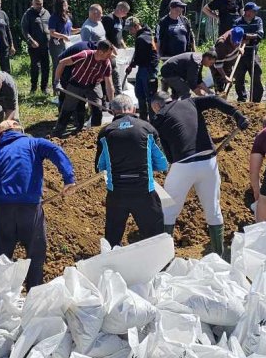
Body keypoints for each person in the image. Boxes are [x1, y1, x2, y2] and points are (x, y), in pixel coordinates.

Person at [149, 90, 247, 256]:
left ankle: (165, 258)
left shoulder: (159, 117)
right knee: (213, 209)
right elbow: (215, 100)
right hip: (209, 161)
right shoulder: (190, 102)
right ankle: (219, 256)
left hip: (184, 164)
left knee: (168, 210)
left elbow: (166, 151)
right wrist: (236, 114)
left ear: (157, 106)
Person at [0, 119, 75, 289]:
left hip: (3, 209)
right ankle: (34, 291)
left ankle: (2, 296)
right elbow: (55, 150)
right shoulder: (33, 143)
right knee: (35, 252)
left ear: (1, 136)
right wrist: (68, 179)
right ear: (20, 131)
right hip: (29, 209)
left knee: (2, 257)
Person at [96, 95, 168, 246]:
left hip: (117, 194)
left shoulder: (105, 132)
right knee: (155, 239)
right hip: (144, 191)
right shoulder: (147, 128)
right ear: (133, 109)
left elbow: (99, 166)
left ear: (112, 112)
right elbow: (162, 163)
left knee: (113, 240)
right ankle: (160, 266)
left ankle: (111, 266)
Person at [54, 41, 117, 137]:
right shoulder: (85, 55)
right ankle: (57, 133)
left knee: (97, 108)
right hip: (76, 83)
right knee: (68, 108)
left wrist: (112, 103)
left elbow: (109, 85)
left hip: (93, 85)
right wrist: (56, 82)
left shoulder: (106, 63)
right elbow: (62, 63)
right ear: (100, 52)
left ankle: (95, 134)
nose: (110, 56)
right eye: (108, 54)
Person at [234, 2, 265, 103]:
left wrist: (246, 36)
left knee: (256, 76)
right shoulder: (238, 22)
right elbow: (236, 36)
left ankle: (256, 101)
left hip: (253, 52)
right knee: (239, 79)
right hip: (240, 53)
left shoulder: (258, 20)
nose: (255, 12)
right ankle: (242, 99)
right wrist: (250, 36)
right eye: (253, 10)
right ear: (247, 12)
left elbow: (260, 35)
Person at [128, 17, 158, 119]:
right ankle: (143, 117)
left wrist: (132, 65)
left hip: (148, 69)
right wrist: (132, 65)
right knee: (140, 94)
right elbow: (138, 54)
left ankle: (153, 119)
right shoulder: (145, 34)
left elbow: (140, 56)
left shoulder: (142, 38)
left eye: (130, 29)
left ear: (136, 26)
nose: (129, 32)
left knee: (149, 96)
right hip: (143, 69)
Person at [20, 0, 51, 94]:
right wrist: (31, 41)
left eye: (41, 4)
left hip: (45, 45)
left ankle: (44, 88)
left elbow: (50, 27)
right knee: (35, 67)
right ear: (32, 4)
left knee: (46, 67)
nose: (39, 6)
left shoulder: (46, 13)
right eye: (37, 4)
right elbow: (24, 30)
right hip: (34, 46)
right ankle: (33, 88)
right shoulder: (28, 14)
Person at [48, 0, 73, 72]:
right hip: (57, 45)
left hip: (67, 44)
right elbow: (52, 32)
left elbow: (70, 30)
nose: (67, 6)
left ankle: (64, 83)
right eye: (65, 5)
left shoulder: (67, 16)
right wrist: (63, 36)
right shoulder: (53, 17)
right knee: (58, 65)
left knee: (67, 64)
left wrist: (80, 30)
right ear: (59, 6)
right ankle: (56, 83)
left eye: (67, 4)